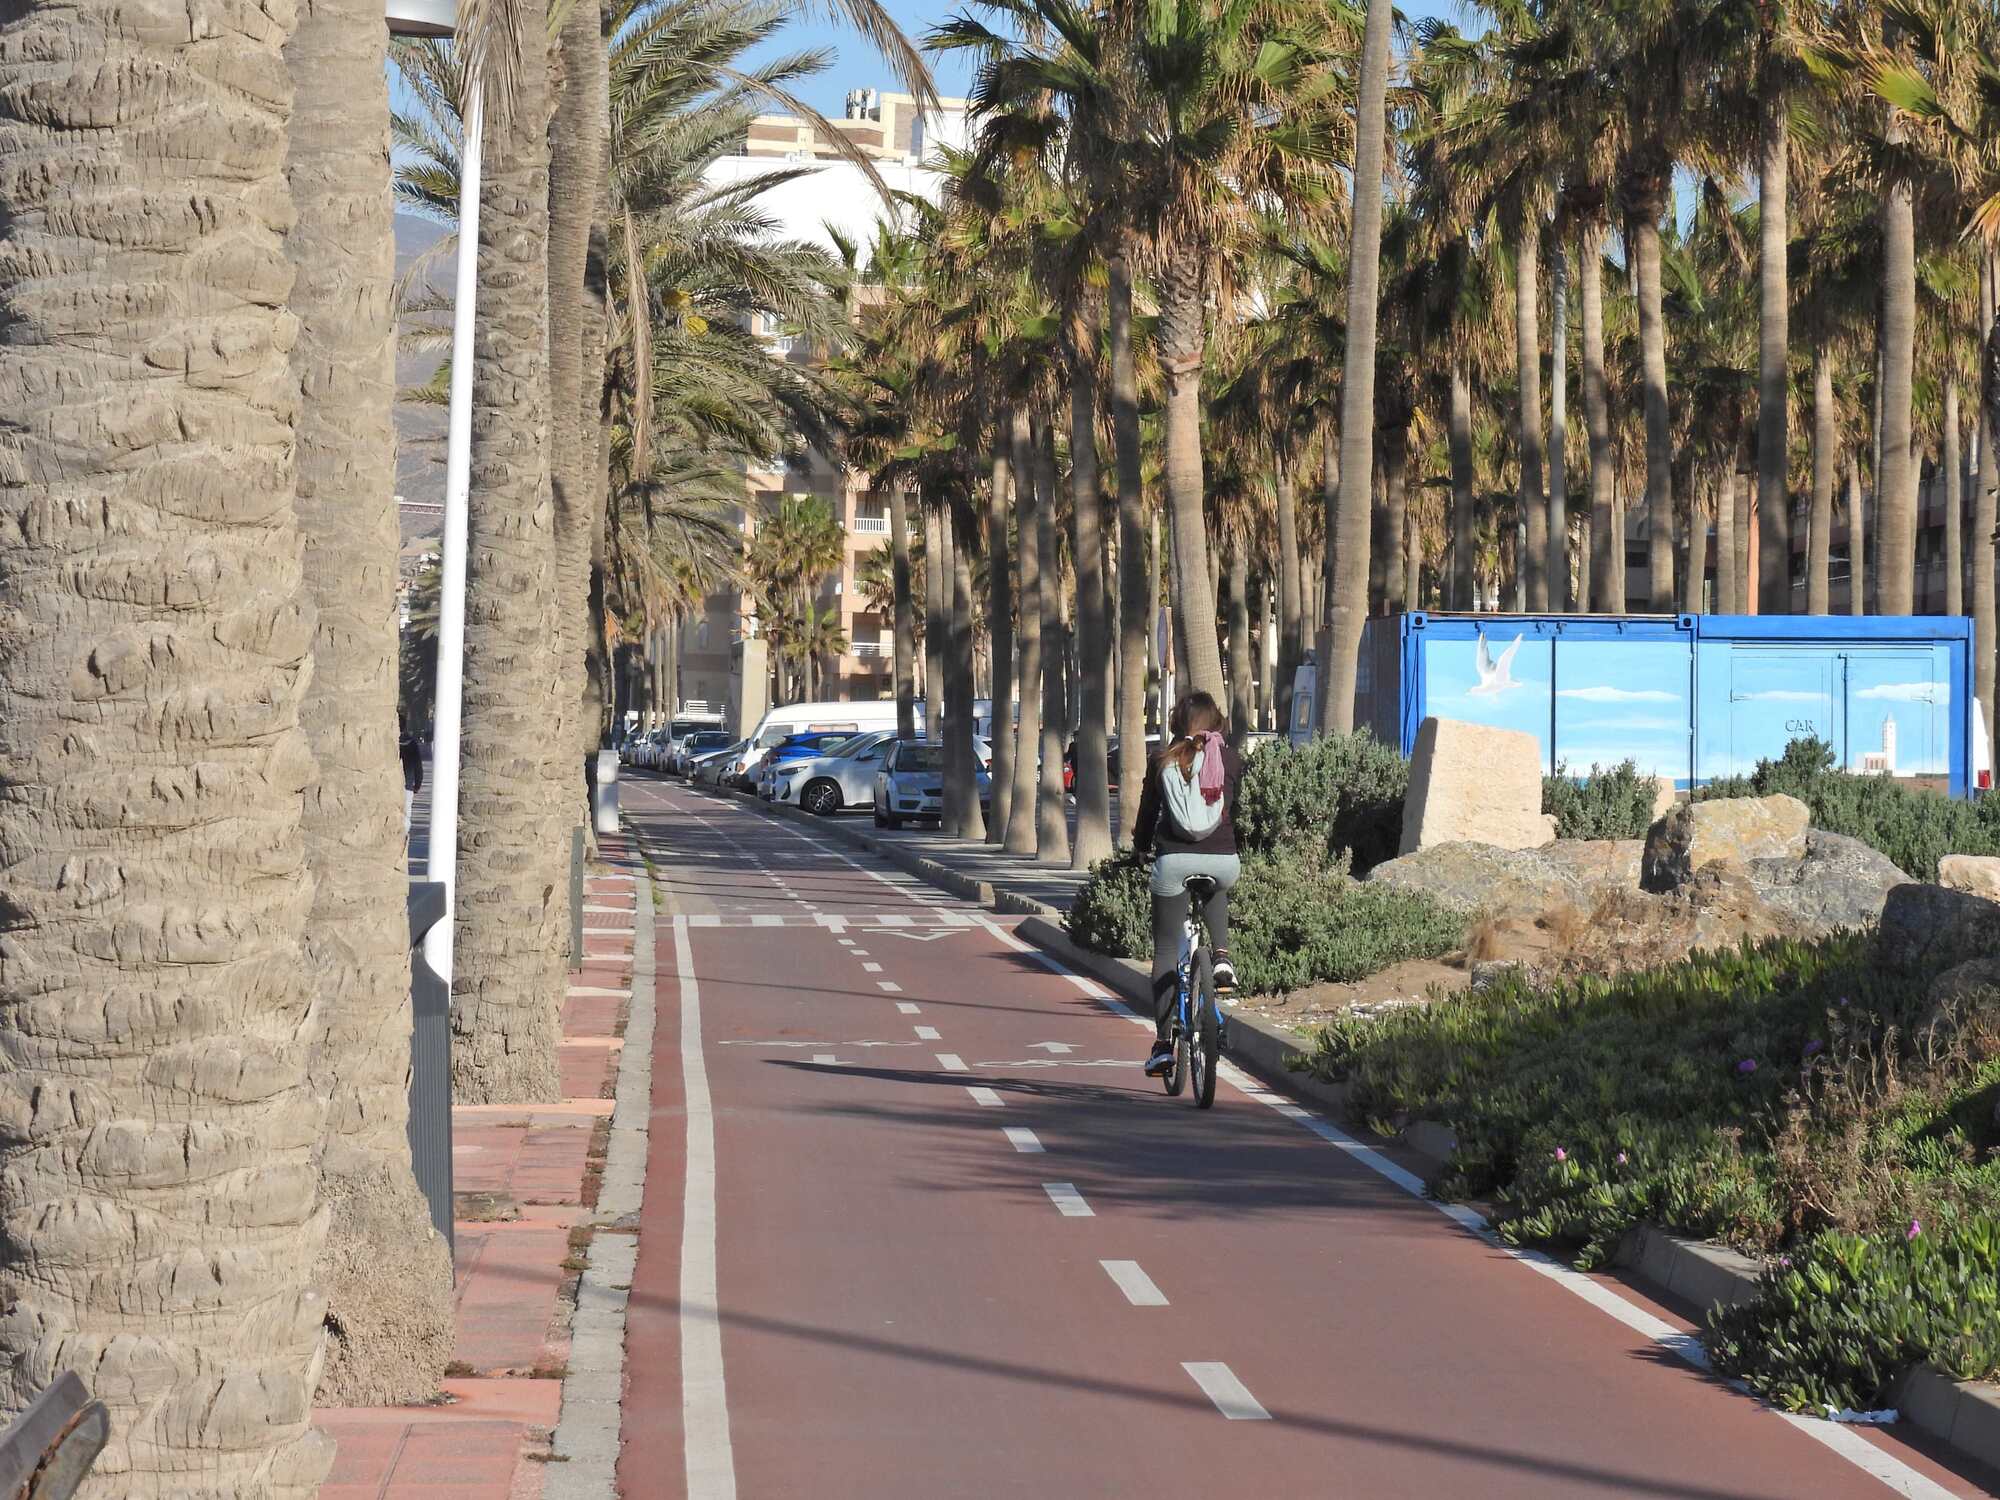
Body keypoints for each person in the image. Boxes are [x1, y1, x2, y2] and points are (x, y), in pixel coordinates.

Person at [1131, 691, 1242, 1077]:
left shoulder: (1162, 759)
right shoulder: (1229, 759)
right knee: (1218, 882)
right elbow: (1235, 808)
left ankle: (1163, 1045)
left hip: (1173, 860)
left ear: (1178, 723)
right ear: (1217, 723)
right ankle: (1222, 958)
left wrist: (1140, 848)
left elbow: (1148, 813)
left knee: (1165, 948)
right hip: (1223, 858)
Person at [400, 719, 423, 836]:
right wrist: (417, 784)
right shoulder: (412, 744)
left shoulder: (388, 741)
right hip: (407, 785)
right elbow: (418, 766)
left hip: (389, 786)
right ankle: (403, 836)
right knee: (406, 813)